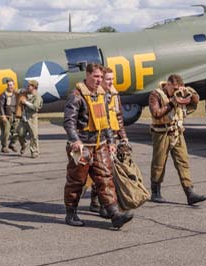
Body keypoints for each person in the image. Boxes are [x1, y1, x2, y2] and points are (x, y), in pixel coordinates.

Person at [63, 63, 133, 229]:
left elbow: (106, 122)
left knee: (105, 178)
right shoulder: (76, 96)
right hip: (82, 146)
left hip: (100, 144)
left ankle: (114, 214)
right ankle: (71, 213)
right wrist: (75, 140)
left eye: (101, 77)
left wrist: (111, 142)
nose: (98, 80)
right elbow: (69, 121)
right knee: (76, 181)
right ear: (87, 75)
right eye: (95, 77)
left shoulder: (103, 95)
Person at [149, 74, 206, 205]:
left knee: (183, 162)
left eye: (178, 88)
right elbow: (156, 114)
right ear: (168, 84)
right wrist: (172, 103)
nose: (176, 91)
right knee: (159, 163)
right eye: (174, 88)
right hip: (161, 133)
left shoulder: (180, 93)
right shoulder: (156, 95)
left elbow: (193, 104)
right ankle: (155, 192)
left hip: (177, 131)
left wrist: (190, 94)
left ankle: (189, 192)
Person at [88, 67, 129, 217]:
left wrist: (123, 136)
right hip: (102, 138)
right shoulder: (96, 95)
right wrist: (107, 140)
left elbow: (119, 116)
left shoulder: (114, 94)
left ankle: (100, 203)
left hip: (113, 137)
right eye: (108, 79)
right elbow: (101, 121)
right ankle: (101, 204)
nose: (111, 82)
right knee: (102, 172)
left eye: (112, 79)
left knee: (107, 172)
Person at [17, 80, 43, 158]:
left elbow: (35, 107)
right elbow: (17, 91)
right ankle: (23, 144)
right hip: (23, 119)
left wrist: (25, 102)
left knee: (34, 136)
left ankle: (34, 151)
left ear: (34, 87)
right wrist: (22, 90)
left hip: (32, 119)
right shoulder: (25, 93)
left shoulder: (37, 97)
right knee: (20, 134)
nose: (28, 86)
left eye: (30, 85)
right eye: (28, 85)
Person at [0, 79, 19, 153]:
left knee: (17, 131)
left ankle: (12, 144)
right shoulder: (3, 95)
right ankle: (4, 147)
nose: (10, 86)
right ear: (7, 86)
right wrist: (3, 115)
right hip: (6, 117)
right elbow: (1, 106)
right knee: (6, 132)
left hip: (14, 116)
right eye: (9, 85)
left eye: (11, 85)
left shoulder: (16, 95)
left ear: (14, 85)